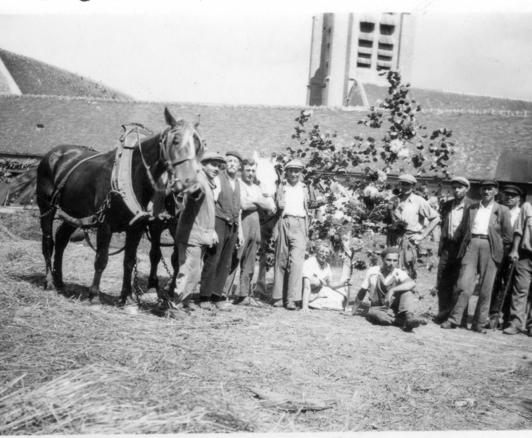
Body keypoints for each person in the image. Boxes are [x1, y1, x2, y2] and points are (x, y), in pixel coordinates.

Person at [441, 180, 513, 333]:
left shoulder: (502, 210)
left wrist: (497, 246)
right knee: (463, 284)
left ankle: (478, 323)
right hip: (472, 244)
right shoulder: (472, 208)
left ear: (495, 191)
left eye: (490, 189)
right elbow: (465, 228)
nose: (486, 192)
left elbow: (507, 236)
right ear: (480, 191)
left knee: (486, 287)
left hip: (490, 247)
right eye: (484, 189)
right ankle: (455, 319)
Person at [166, 151, 224, 320]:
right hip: (191, 236)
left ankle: (183, 304)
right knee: (188, 271)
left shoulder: (207, 182)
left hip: (199, 236)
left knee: (194, 273)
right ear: (202, 165)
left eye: (219, 166)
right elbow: (191, 190)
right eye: (212, 164)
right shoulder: (199, 180)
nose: (216, 168)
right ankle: (176, 306)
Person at [271, 159, 324, 310]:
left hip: (300, 224)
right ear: (286, 172)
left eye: (297, 171)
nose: (294, 174)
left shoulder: (305, 187)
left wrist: (322, 202)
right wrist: (277, 204)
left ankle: (292, 299)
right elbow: (271, 204)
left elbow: (312, 203)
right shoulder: (280, 187)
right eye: (291, 171)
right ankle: (278, 297)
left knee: (296, 261)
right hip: (283, 222)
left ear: (300, 173)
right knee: (281, 259)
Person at [199, 151, 244, 310]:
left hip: (233, 226)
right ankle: (204, 297)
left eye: (235, 162)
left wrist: (240, 233)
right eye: (229, 161)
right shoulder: (218, 179)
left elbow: (238, 209)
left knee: (226, 261)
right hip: (218, 222)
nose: (232, 164)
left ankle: (217, 297)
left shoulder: (238, 183)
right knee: (213, 259)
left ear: (239, 166)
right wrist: (211, 229)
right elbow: (211, 204)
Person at [228, 158, 274, 305]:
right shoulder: (238, 184)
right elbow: (243, 205)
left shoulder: (256, 187)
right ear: (241, 170)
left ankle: (244, 295)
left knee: (250, 261)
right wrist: (258, 202)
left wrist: (253, 200)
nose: (250, 173)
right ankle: (224, 294)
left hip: (256, 225)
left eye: (253, 171)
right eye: (248, 170)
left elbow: (268, 205)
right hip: (242, 223)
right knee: (234, 259)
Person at [349, 247, 428, 332]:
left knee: (407, 291)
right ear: (382, 259)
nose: (391, 263)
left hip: (395, 308)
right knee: (377, 315)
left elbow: (412, 283)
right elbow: (362, 291)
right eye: (388, 260)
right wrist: (353, 312)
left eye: (395, 261)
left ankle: (409, 317)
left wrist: (392, 290)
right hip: (377, 308)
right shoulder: (373, 271)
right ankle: (404, 322)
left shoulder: (399, 273)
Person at [434, 176, 473, 324]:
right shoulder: (447, 205)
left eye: (460, 187)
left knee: (461, 281)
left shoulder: (473, 206)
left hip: (462, 247)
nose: (456, 190)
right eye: (454, 187)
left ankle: (459, 316)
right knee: (443, 279)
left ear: (466, 189)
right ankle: (443, 312)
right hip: (447, 247)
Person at [387, 174, 440, 279]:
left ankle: (406, 293)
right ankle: (392, 292)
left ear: (413, 186)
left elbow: (435, 218)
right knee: (391, 267)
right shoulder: (393, 199)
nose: (405, 187)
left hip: (409, 240)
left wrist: (422, 235)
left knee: (408, 267)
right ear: (399, 184)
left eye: (408, 185)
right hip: (393, 239)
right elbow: (387, 219)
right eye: (403, 184)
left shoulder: (419, 201)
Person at [488, 184, 522, 329]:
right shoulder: (497, 210)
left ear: (518, 198)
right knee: (495, 281)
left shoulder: (521, 213)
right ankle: (493, 315)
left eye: (512, 195)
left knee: (511, 283)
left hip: (515, 251)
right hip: (498, 248)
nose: (509, 197)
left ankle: (507, 317)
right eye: (506, 194)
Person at [503, 200, 532, 336]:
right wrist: (514, 250)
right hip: (525, 255)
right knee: (520, 289)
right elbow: (518, 230)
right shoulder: (527, 206)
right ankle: (515, 324)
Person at [301, 241, 350, 312]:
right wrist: (305, 307)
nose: (324, 255)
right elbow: (306, 286)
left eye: (327, 253)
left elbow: (330, 284)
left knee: (342, 294)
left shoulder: (327, 265)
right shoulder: (310, 263)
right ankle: (309, 303)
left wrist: (344, 283)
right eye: (321, 252)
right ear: (317, 252)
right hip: (309, 294)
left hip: (319, 292)